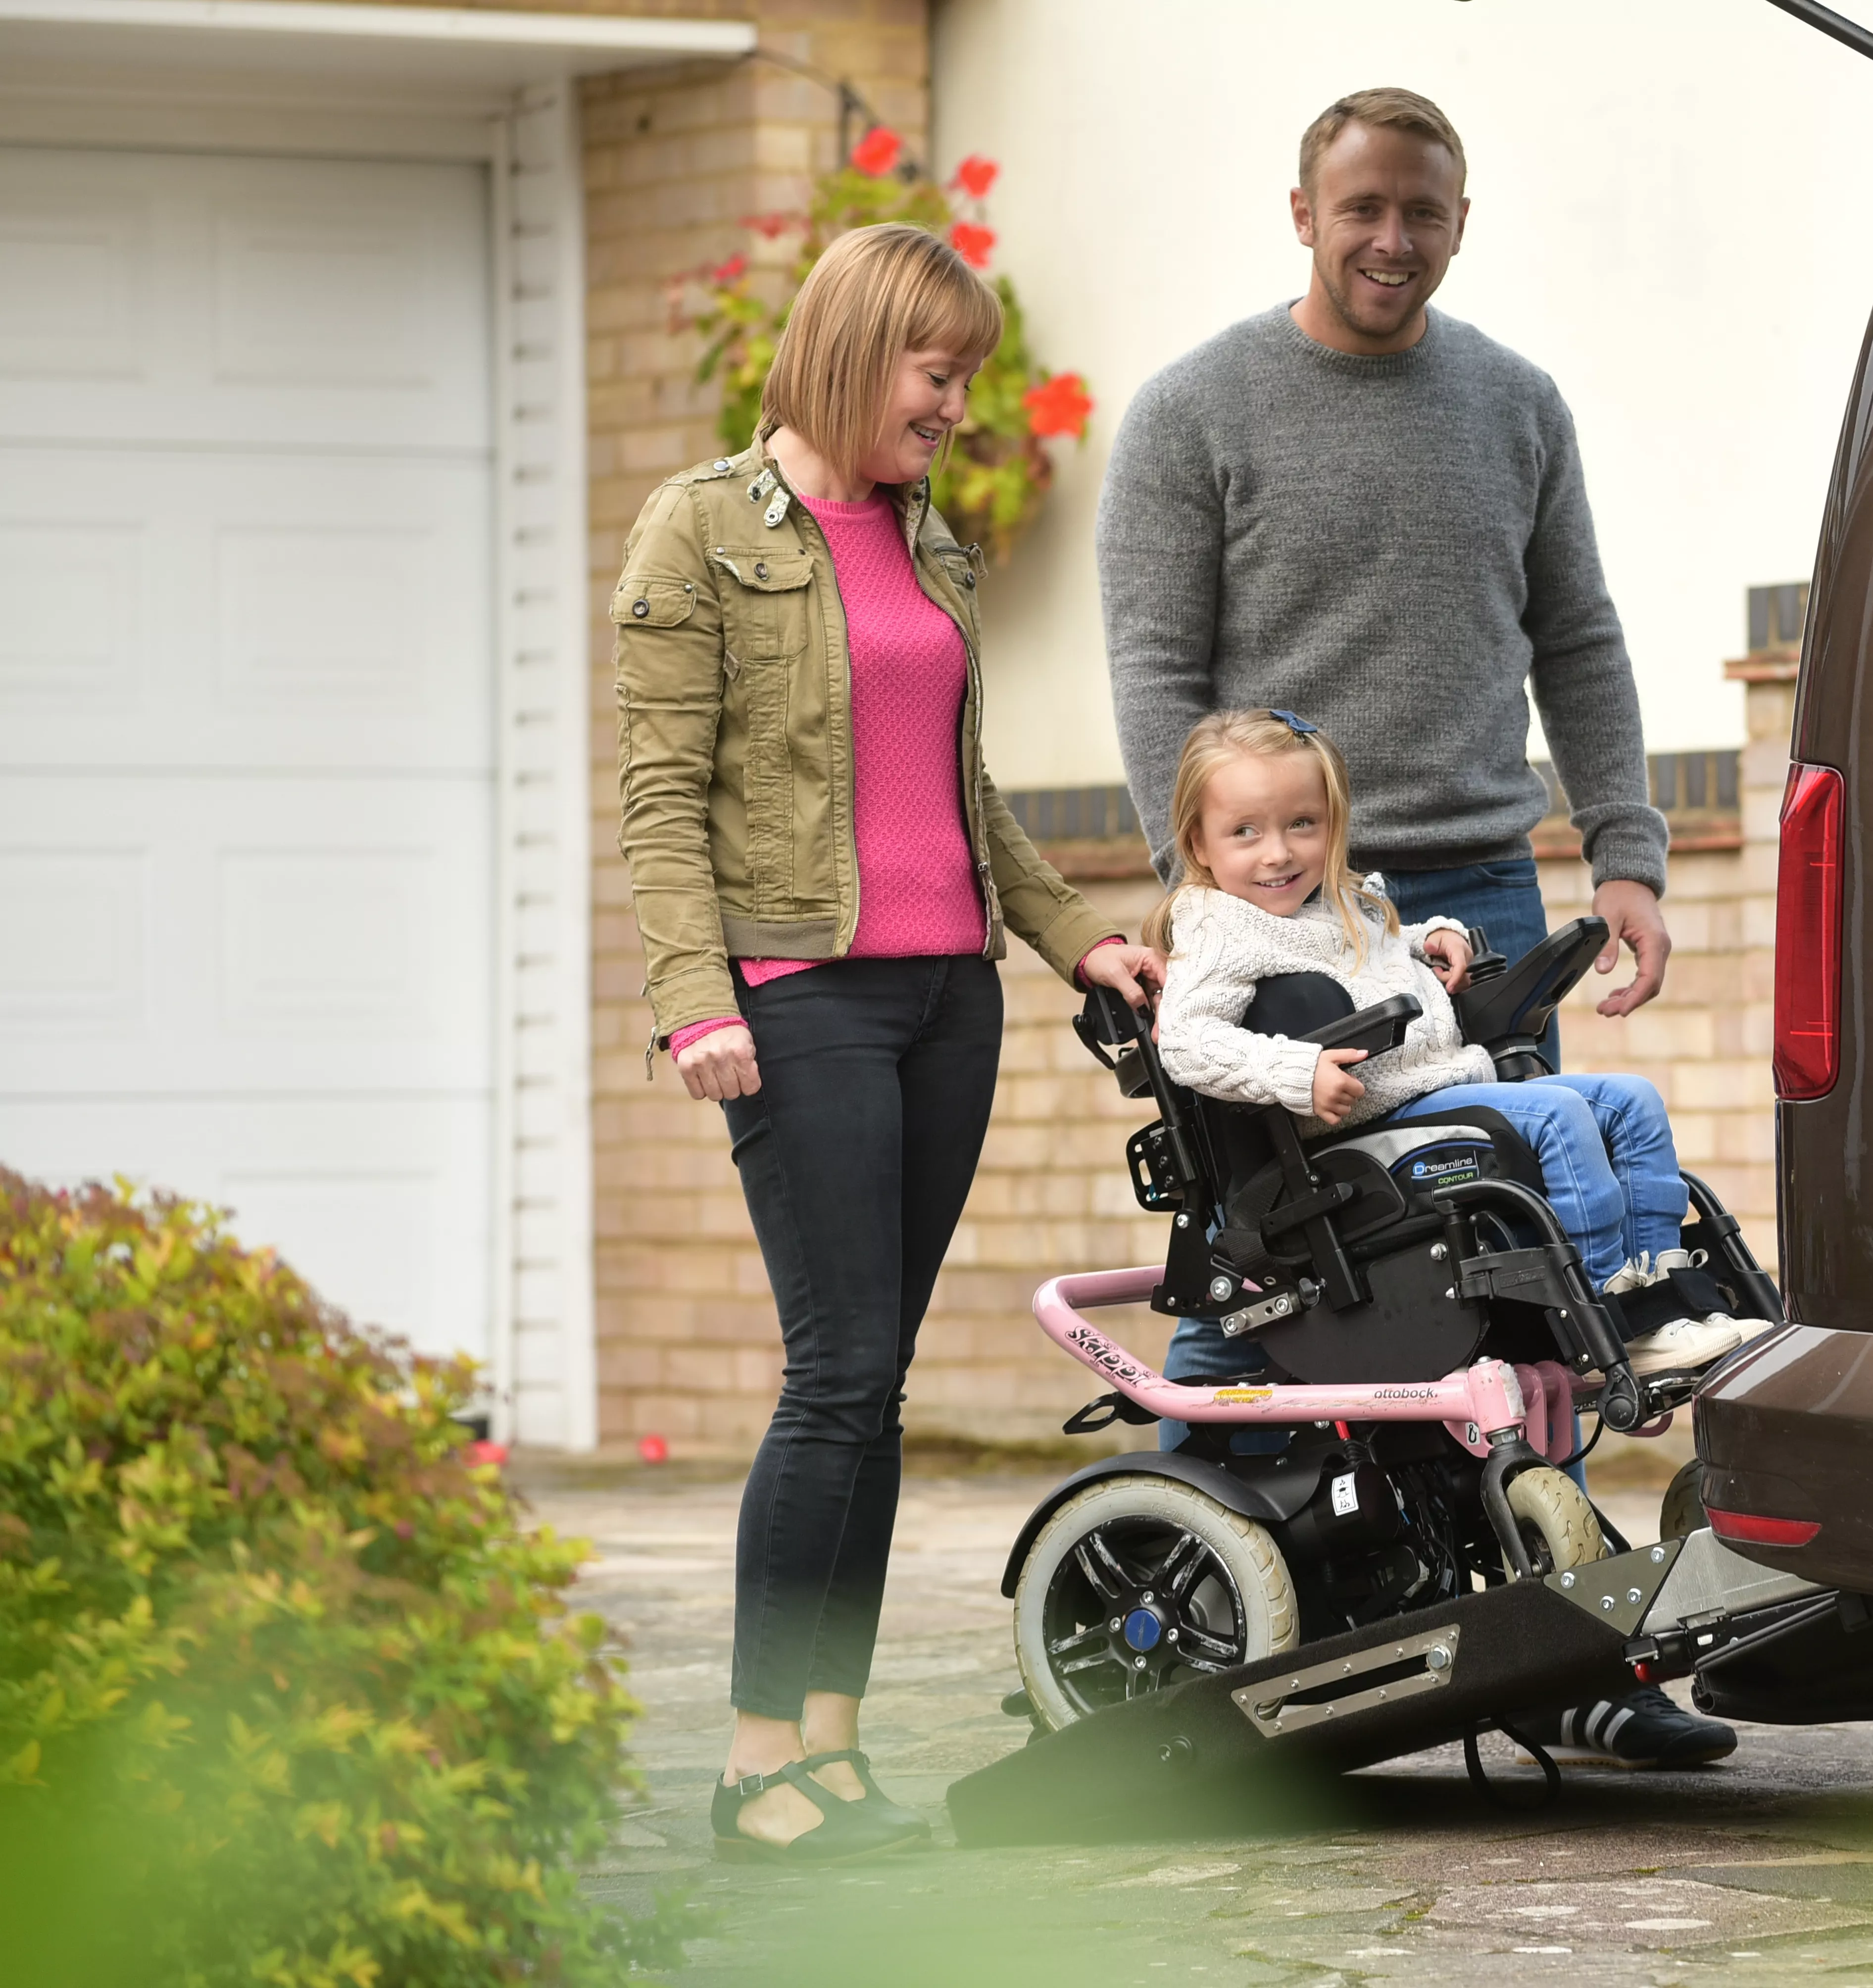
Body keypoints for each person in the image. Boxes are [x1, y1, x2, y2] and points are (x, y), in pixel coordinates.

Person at [1099, 87, 1729, 1767]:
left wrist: (1627, 854)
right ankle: (1183, 1559)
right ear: (1301, 210)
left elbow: (1578, 638)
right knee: (1275, 1239)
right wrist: (1205, 892)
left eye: (1423, 215)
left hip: (1471, 893)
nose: (1392, 241)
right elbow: (1157, 678)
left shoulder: (1512, 405)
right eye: (1362, 208)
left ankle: (1564, 1644)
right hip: (1278, 908)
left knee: (1518, 1278)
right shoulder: (1196, 413)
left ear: (1459, 221)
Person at [613, 223, 1164, 1863]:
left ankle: (833, 1748)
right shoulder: (700, 531)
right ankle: (751, 1759)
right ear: (859, 349)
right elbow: (660, 796)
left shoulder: (929, 541)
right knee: (836, 1371)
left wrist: (1077, 933)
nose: (956, 408)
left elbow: (962, 788)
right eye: (940, 375)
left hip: (947, 999)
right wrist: (693, 997)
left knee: (878, 1381)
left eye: (970, 380)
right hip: (805, 996)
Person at [1148, 710, 1769, 1374]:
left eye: (1303, 824)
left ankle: (1664, 1290)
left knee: (1631, 1099)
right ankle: (1610, 1311)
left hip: (1438, 1090)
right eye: (1246, 832)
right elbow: (1185, 1041)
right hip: (1368, 1131)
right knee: (1559, 1118)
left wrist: (1431, 935)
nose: (1279, 852)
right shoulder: (1220, 930)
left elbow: (1363, 946)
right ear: (1199, 843)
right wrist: (1297, 1070)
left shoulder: (1331, 899)